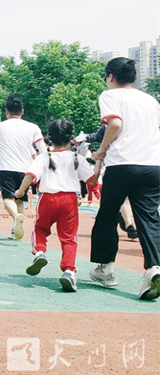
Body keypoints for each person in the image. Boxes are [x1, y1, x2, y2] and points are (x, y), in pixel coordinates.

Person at [88, 58, 160, 300]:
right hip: (152, 165)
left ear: (110, 77)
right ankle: (154, 268)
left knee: (108, 215)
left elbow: (115, 123)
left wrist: (102, 149)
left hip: (122, 165)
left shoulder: (110, 96)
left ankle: (105, 269)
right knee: (150, 218)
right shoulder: (151, 100)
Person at [15, 119, 95, 292]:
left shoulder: (45, 157)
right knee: (69, 237)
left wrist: (20, 191)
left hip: (48, 198)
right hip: (70, 200)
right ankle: (68, 271)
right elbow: (92, 179)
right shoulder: (77, 158)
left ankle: (40, 252)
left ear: (49, 137)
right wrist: (100, 162)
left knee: (40, 229)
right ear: (71, 137)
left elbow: (30, 175)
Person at [0, 95, 47, 240]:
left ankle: (16, 217)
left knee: (8, 199)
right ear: (22, 112)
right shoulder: (33, 127)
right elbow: (43, 150)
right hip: (25, 169)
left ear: (7, 112)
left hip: (6, 167)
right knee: (20, 199)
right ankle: (15, 230)